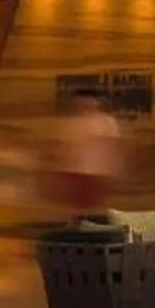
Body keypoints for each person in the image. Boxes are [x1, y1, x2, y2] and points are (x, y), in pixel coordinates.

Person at [51, 87, 124, 220]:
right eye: (82, 100)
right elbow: (62, 147)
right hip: (73, 170)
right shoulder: (71, 122)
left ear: (98, 102)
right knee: (72, 205)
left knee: (93, 205)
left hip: (97, 171)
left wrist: (113, 168)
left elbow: (111, 146)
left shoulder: (106, 121)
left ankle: (90, 229)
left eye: (90, 99)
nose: (86, 103)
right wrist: (58, 169)